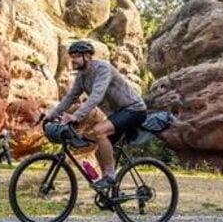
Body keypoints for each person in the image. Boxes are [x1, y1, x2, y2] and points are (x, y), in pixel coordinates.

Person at [45, 40, 147, 191]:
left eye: (76, 56)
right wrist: (51, 115)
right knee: (99, 148)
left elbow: (96, 96)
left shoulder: (103, 68)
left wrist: (76, 116)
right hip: (118, 114)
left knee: (100, 131)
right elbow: (70, 97)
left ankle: (110, 177)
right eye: (71, 56)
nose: (73, 59)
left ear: (87, 56)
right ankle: (108, 185)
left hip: (134, 109)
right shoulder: (82, 76)